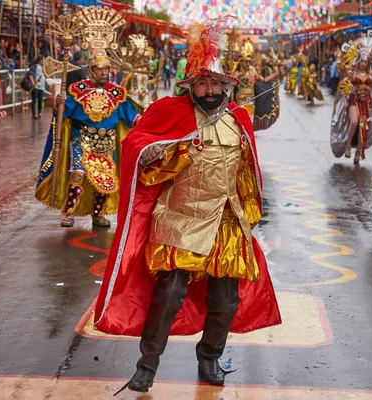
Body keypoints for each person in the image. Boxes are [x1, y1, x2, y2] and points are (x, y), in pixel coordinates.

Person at [99, 16, 281, 395]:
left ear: (227, 86)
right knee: (169, 295)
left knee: (225, 299)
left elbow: (248, 171)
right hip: (179, 217)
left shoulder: (239, 119)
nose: (210, 89)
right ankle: (146, 366)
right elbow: (139, 155)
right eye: (203, 82)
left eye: (216, 83)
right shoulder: (170, 112)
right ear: (191, 86)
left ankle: (210, 357)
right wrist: (178, 149)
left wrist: (251, 212)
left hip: (226, 221)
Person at [34, 8, 141, 228]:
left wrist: (147, 120)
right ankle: (69, 213)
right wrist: (59, 105)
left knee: (106, 183)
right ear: (91, 71)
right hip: (80, 140)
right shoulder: (77, 90)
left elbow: (132, 116)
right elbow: (64, 114)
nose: (104, 73)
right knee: (77, 175)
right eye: (99, 70)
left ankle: (98, 214)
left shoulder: (117, 93)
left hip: (106, 143)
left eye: (106, 69)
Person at [331, 31, 372, 164]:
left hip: (367, 103)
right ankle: (347, 146)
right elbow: (343, 83)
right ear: (358, 61)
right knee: (354, 122)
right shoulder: (352, 73)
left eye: (366, 61)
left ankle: (359, 152)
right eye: (361, 61)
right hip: (354, 101)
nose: (363, 63)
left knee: (364, 127)